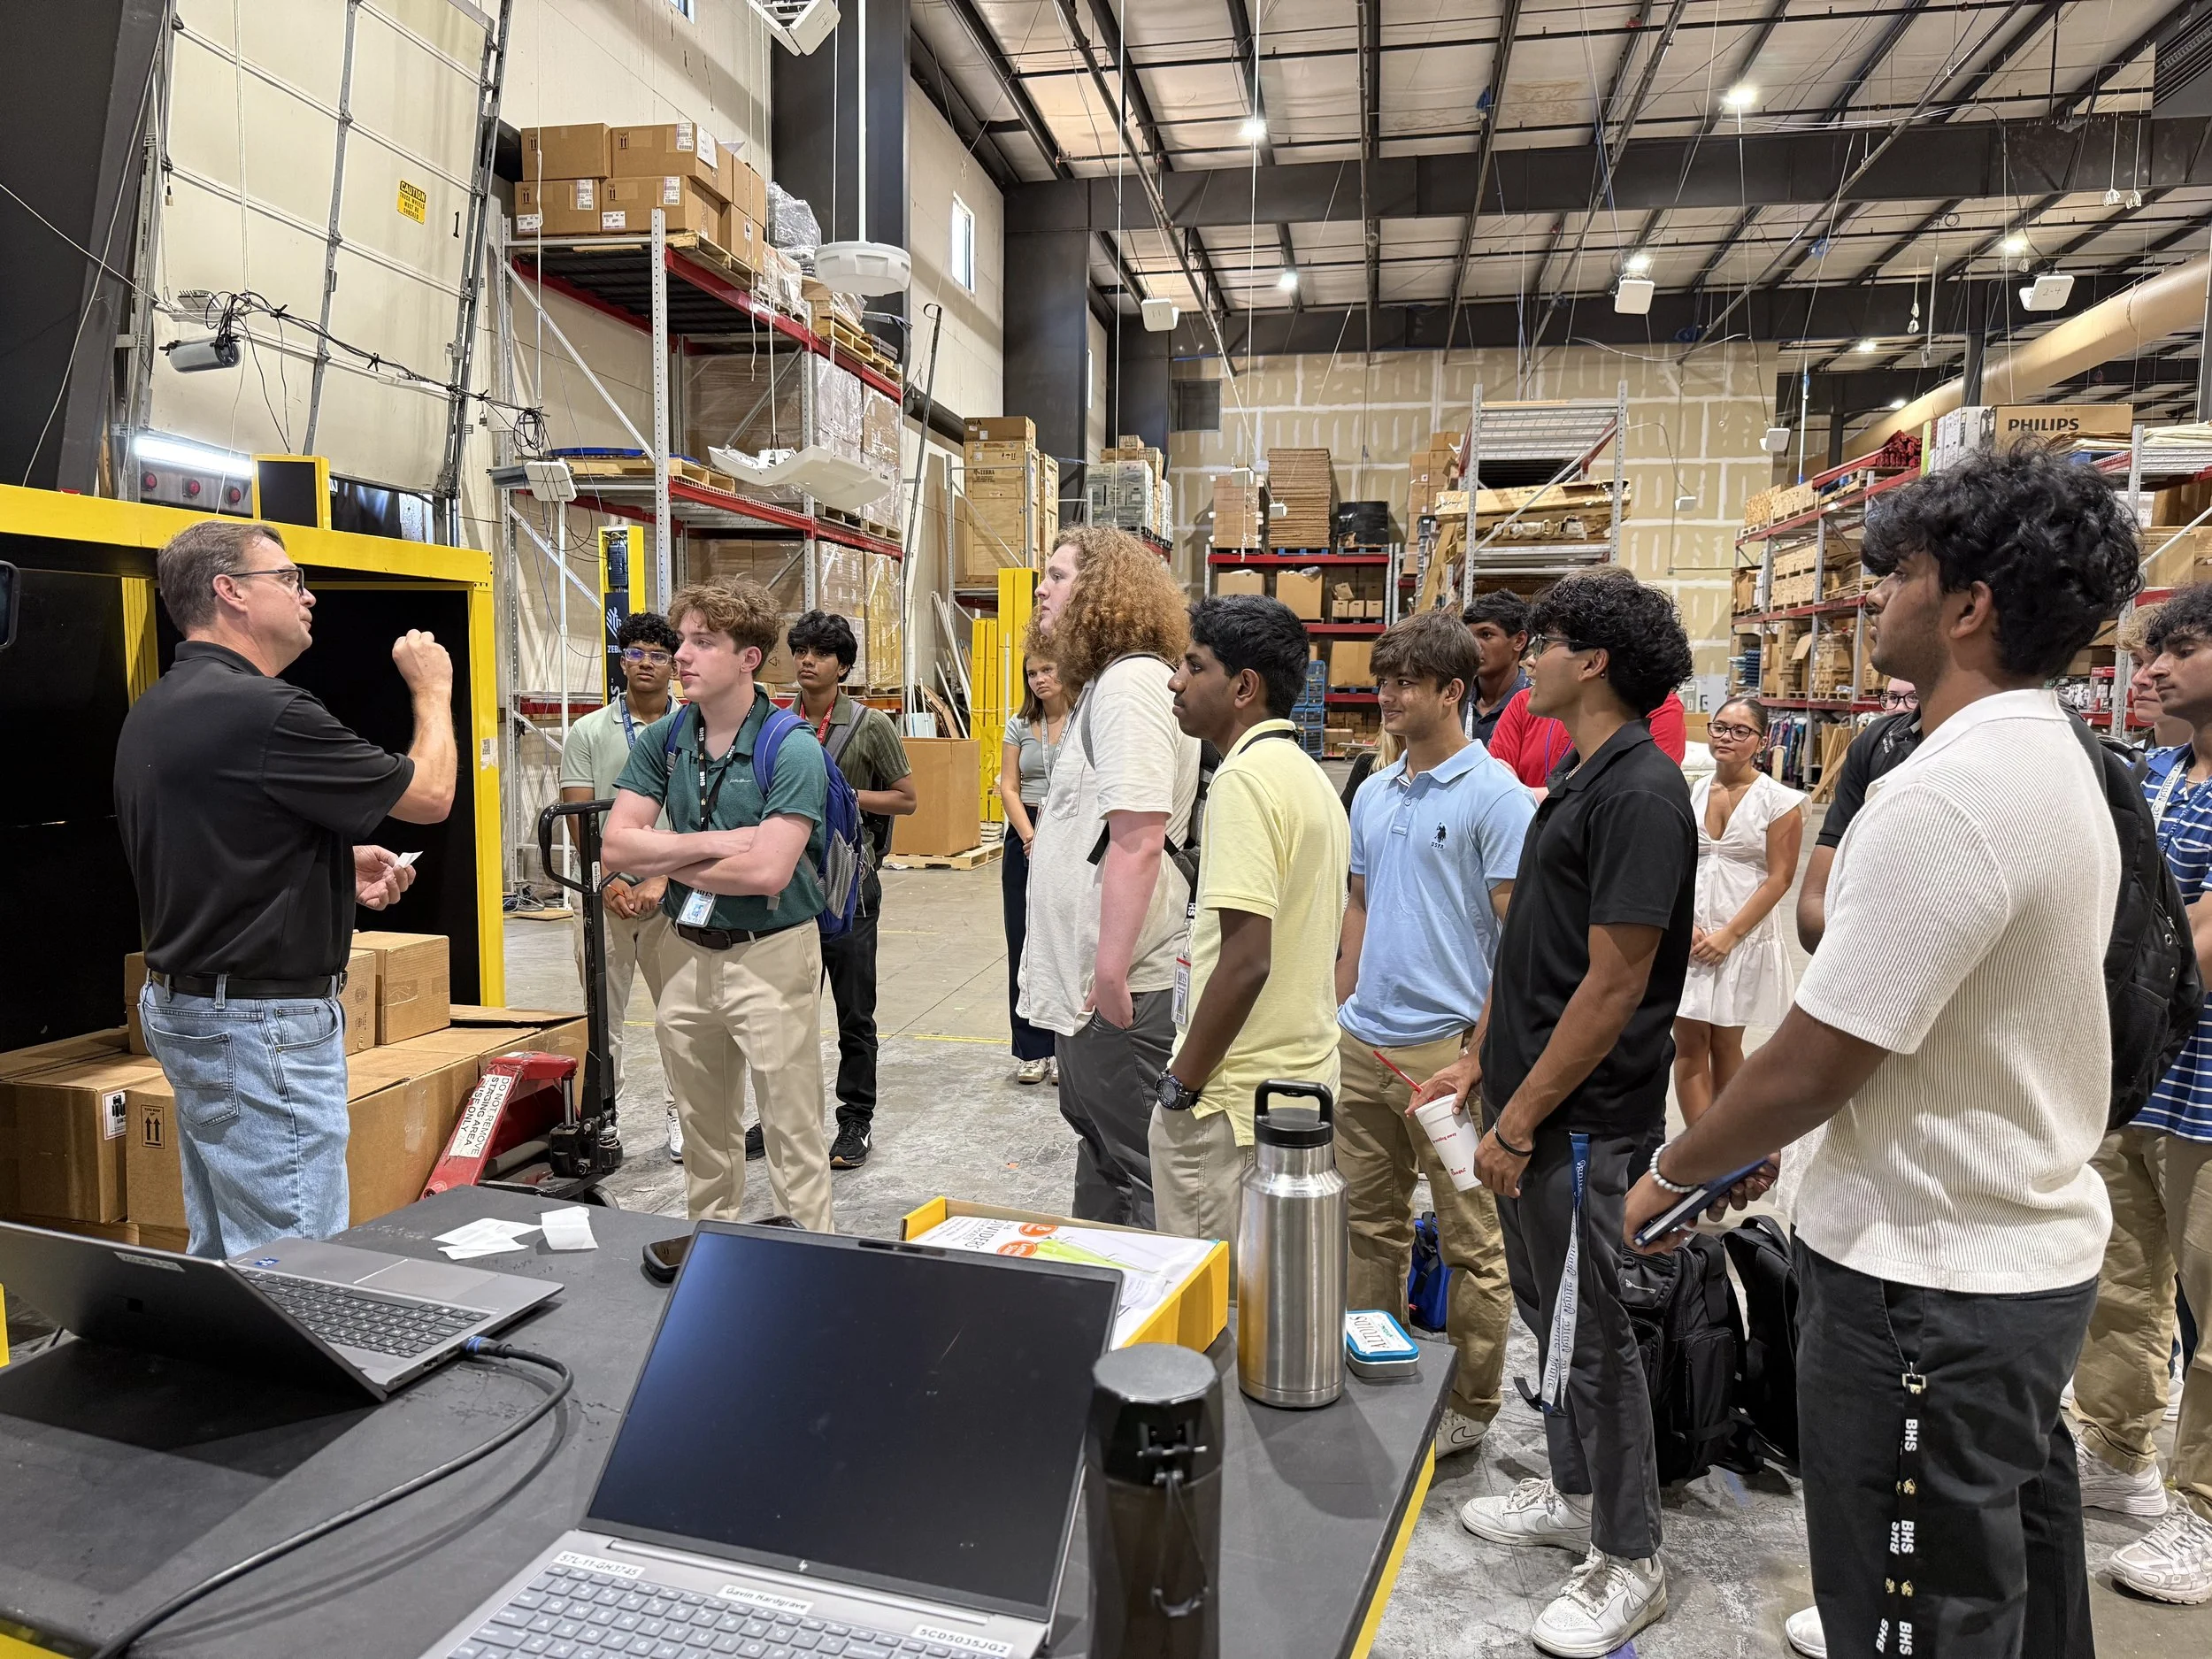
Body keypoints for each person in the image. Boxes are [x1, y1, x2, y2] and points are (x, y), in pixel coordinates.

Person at [1622, 445, 2140, 1659]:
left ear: (1968, 605)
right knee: (2013, 1602)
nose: (1874, 597)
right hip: (2012, 1264)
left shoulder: (1947, 791)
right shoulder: (2054, 753)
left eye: (1901, 571)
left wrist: (1674, 1172)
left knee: (1910, 1616)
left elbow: (1814, 1059)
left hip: (1928, 1290)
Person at [1417, 567, 1696, 1656]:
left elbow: (1616, 981)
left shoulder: (1639, 793)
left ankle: (1630, 1557)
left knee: (1592, 1342)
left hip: (1584, 1126)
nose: (1519, 657)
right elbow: (1531, 943)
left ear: (1593, 663)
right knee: (1551, 1315)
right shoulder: (1579, 777)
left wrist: (1523, 1120)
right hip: (1533, 1105)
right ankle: (1573, 1492)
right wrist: (1480, 1062)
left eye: (1541, 642)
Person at [115, 520, 455, 1256]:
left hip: (194, 1009)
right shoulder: (267, 711)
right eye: (290, 578)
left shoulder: (161, 707)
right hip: (260, 1027)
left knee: (231, 1251)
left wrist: (333, 861)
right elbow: (430, 794)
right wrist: (433, 690)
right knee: (297, 1262)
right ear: (229, 591)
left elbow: (216, 847)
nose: (308, 596)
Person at [1337, 607, 1532, 1459]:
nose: (1388, 696)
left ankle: (1472, 1404)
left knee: (1471, 1239)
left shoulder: (1496, 797)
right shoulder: (1375, 791)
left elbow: (1516, 941)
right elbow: (1359, 901)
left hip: (1445, 1063)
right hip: (1364, 1047)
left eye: (1406, 683)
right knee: (1366, 1224)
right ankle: (1376, 1366)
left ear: (1454, 690)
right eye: (1384, 681)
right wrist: (1341, 1003)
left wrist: (1477, 1058)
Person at [603, 578, 835, 1232]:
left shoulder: (789, 747)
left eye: (705, 642)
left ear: (748, 658)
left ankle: (807, 1270)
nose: (682, 655)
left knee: (792, 1133)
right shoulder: (666, 741)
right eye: (684, 639)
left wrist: (666, 850)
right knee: (705, 1142)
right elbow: (617, 849)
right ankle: (714, 1262)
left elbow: (767, 869)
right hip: (684, 951)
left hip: (772, 955)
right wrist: (707, 843)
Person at [2069, 581, 2212, 1601]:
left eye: (2178, 649)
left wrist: (2102, 1003)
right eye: (2147, 652)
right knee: (2121, 1283)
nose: (2149, 668)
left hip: (2203, 1089)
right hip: (2140, 1085)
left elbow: (2189, 941)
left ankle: (2203, 1511)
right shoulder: (2158, 773)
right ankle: (2119, 1456)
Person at [1153, 595, 1348, 1253]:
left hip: (1231, 1104)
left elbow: (1247, 958)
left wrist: (1183, 1081)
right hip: (1297, 1082)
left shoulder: (1244, 781)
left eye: (1193, 665)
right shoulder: (1308, 777)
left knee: (1211, 1310)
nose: (1175, 680)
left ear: (1243, 687)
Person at [1018, 526, 1200, 1227]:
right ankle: (1100, 1300)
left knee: (1145, 1166)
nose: (1042, 588)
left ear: (1102, 593)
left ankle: (1159, 1326)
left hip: (1120, 984)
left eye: (1059, 576)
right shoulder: (1105, 685)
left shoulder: (1128, 684)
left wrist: (1111, 971)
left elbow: (1138, 838)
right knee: (1103, 1151)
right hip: (1095, 981)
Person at [787, 610, 915, 1171]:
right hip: (787, 889)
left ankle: (855, 1120)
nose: (806, 661)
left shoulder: (870, 727)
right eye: (800, 651)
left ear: (843, 665)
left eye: (819, 652)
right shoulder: (776, 723)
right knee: (783, 1011)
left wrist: (843, 797)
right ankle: (783, 1116)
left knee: (854, 1012)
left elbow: (907, 799)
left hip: (850, 888)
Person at [560, 612, 684, 1161]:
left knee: (680, 1013)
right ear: (622, 659)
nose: (647, 665)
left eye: (659, 656)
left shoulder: (694, 730)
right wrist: (608, 880)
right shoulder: (588, 732)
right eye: (637, 653)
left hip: (675, 892)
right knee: (602, 1015)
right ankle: (605, 1115)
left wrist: (662, 876)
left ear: (674, 665)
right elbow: (578, 815)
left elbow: (701, 815)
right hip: (603, 894)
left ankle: (684, 1113)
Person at [1672, 696, 1804, 1125]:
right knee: (1688, 1042)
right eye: (1720, 727)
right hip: (1690, 936)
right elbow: (1674, 863)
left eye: (1740, 730)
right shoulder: (1691, 791)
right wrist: (1684, 924)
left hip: (1742, 937)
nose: (1727, 737)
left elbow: (1780, 878)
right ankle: (1694, 1156)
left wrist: (1730, 935)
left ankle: (1726, 1147)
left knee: (1726, 1043)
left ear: (1761, 742)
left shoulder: (1779, 801)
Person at [1793, 680, 1916, 951]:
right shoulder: (1873, 740)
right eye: (1893, 698)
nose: (1900, 708)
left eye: (1911, 698)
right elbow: (1813, 904)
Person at [999, 656, 1069, 1086]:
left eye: (1048, 669)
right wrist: (1029, 838)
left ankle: (1066, 1046)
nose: (1040, 679)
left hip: (1071, 827)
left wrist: (1053, 837)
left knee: (1065, 940)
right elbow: (1008, 785)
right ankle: (1031, 1048)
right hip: (1026, 829)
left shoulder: (1085, 718)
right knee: (1022, 939)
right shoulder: (1019, 724)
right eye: (1032, 673)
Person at [1486, 653, 1688, 797]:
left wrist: (1520, 795)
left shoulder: (1659, 708)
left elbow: (1625, 792)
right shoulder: (1526, 703)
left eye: (1545, 644)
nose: (1530, 660)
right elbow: (1495, 789)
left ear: (1593, 663)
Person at [1462, 589, 1532, 743]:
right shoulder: (1455, 701)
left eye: (1486, 635)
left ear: (1519, 641)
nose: (1473, 646)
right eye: (1469, 637)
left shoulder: (1535, 706)